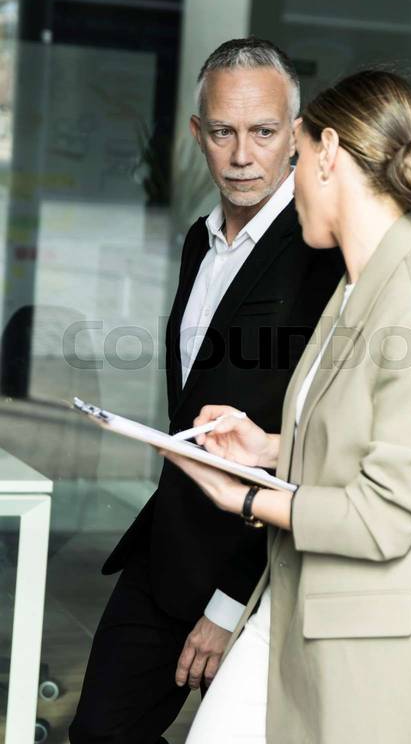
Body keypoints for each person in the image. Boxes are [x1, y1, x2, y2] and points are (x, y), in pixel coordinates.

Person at [159, 70, 411, 744]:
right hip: (299, 611)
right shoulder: (355, 289)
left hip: (373, 652)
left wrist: (246, 499)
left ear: (328, 152)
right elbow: (359, 442)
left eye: (296, 154)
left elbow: (385, 514)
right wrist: (266, 449)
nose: (287, 182)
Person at [69, 38, 343, 744]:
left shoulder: (320, 255)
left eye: (263, 132)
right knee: (100, 731)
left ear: (297, 135)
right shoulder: (201, 241)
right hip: (170, 545)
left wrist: (229, 603)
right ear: (199, 135)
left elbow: (309, 437)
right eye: (222, 132)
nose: (242, 155)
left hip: (258, 569)